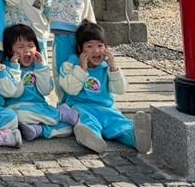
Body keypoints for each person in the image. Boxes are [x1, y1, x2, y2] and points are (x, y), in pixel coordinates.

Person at [59, 21, 151, 154]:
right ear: (80, 49)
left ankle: (136, 137)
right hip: (81, 107)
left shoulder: (107, 67)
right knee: (88, 122)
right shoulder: (70, 65)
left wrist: (114, 69)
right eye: (89, 46)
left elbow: (120, 90)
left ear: (106, 48)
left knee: (118, 123)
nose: (96, 51)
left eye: (100, 45)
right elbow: (71, 90)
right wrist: (82, 69)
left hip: (106, 108)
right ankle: (93, 139)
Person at [3, 24, 76, 141]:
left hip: (39, 107)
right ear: (9, 50)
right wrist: (15, 68)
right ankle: (41, 128)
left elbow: (45, 90)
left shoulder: (38, 66)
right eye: (20, 47)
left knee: (70, 128)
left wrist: (41, 68)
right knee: (16, 116)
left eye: (31, 46)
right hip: (17, 107)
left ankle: (56, 116)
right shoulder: (6, 68)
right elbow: (15, 93)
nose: (27, 50)